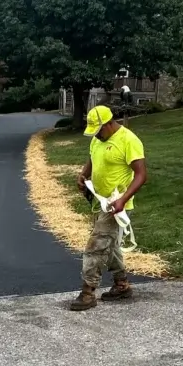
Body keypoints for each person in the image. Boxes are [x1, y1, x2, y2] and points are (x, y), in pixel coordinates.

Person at [70, 106, 147, 312]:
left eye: (98, 130)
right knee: (110, 245)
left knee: (96, 246)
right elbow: (93, 158)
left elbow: (141, 175)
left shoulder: (129, 140)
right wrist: (84, 174)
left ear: (109, 123)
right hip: (100, 201)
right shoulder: (98, 139)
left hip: (117, 205)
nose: (96, 134)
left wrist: (123, 199)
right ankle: (121, 284)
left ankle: (87, 292)